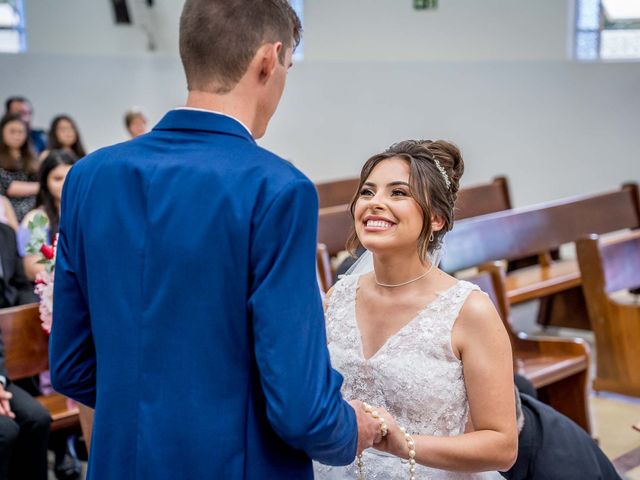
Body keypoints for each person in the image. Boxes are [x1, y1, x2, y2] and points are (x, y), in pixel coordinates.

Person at [50, 1, 380, 479]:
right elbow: (299, 406)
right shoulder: (275, 189)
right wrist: (351, 430)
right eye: (287, 66)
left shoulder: (88, 178)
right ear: (270, 59)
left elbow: (71, 366)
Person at [315, 140, 518, 479]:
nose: (375, 203)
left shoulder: (469, 311)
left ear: (436, 218)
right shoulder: (337, 298)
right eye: (367, 192)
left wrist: (404, 443)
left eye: (397, 193)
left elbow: (502, 446)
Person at [18, 150, 76, 280]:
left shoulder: (87, 214)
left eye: (69, 178)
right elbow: (33, 267)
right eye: (57, 179)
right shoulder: (37, 218)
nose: (64, 184)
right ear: (45, 182)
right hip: (53, 291)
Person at [0, 114, 39, 223]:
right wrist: (40, 187)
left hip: (34, 215)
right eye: (12, 131)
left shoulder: (33, 157)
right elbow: (8, 187)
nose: (17, 136)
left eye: (21, 132)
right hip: (7, 214)